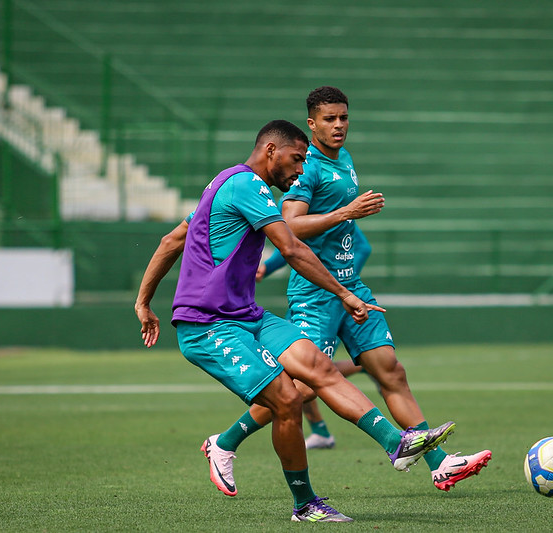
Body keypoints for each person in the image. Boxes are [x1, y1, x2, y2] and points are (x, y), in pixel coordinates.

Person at [134, 119, 455, 523]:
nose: (301, 169)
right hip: (207, 325)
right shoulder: (248, 185)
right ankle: (305, 506)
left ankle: (398, 444)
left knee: (317, 369)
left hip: (245, 315)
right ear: (271, 150)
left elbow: (172, 240)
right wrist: (343, 293)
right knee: (286, 398)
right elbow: (290, 248)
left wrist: (143, 302)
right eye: (297, 158)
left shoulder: (223, 182)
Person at [207, 88, 492, 497]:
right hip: (316, 292)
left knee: (390, 370)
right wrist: (347, 212)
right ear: (312, 123)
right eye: (329, 119)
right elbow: (290, 226)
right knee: (302, 387)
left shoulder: (346, 160)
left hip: (350, 286)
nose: (338, 125)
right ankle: (225, 442)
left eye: (343, 118)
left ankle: (439, 463)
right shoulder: (306, 168)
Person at [256, 225, 373, 449]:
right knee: (298, 368)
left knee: (305, 373)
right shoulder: (293, 204)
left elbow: (362, 248)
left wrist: (340, 287)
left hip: (323, 303)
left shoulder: (327, 204)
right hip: (304, 301)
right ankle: (320, 430)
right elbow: (290, 247)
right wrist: (267, 268)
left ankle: (227, 441)